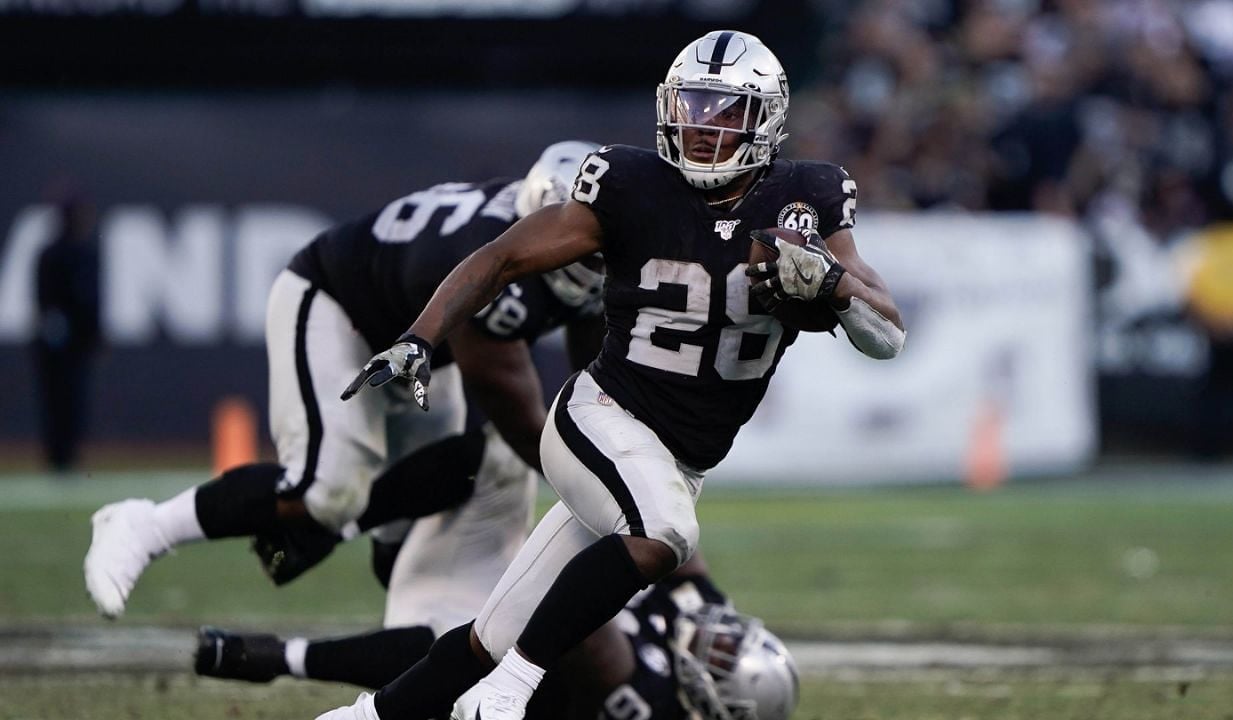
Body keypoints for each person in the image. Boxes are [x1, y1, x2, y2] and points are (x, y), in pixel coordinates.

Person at [329, 30, 903, 720]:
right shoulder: (631, 183)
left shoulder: (806, 195)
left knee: (492, 635)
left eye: (725, 111)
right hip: (601, 416)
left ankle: (366, 717)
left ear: (768, 120)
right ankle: (506, 697)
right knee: (665, 534)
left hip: (677, 456)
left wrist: (833, 284)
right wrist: (421, 336)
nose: (703, 125)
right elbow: (501, 257)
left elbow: (887, 335)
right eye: (692, 105)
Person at [83, 142, 606, 638]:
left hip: (420, 349)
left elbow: (595, 375)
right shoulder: (490, 259)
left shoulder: (580, 256)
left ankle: (408, 641)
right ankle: (145, 526)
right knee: (326, 492)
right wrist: (605, 491)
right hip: (341, 309)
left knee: (422, 510)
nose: (586, 257)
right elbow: (515, 413)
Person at [194, 553, 799, 720]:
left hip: (512, 695)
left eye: (723, 656)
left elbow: (592, 640)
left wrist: (603, 572)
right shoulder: (702, 616)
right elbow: (682, 550)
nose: (717, 638)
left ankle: (282, 658)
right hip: (524, 623)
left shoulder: (654, 701)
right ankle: (283, 656)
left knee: (459, 648)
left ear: (716, 697)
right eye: (731, 639)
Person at [33, 192, 102, 472]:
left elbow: (93, 300)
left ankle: (69, 451)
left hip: (78, 343)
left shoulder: (86, 253)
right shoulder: (52, 254)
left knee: (75, 400)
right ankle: (57, 453)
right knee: (56, 399)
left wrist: (93, 333)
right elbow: (43, 300)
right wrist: (53, 329)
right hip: (56, 343)